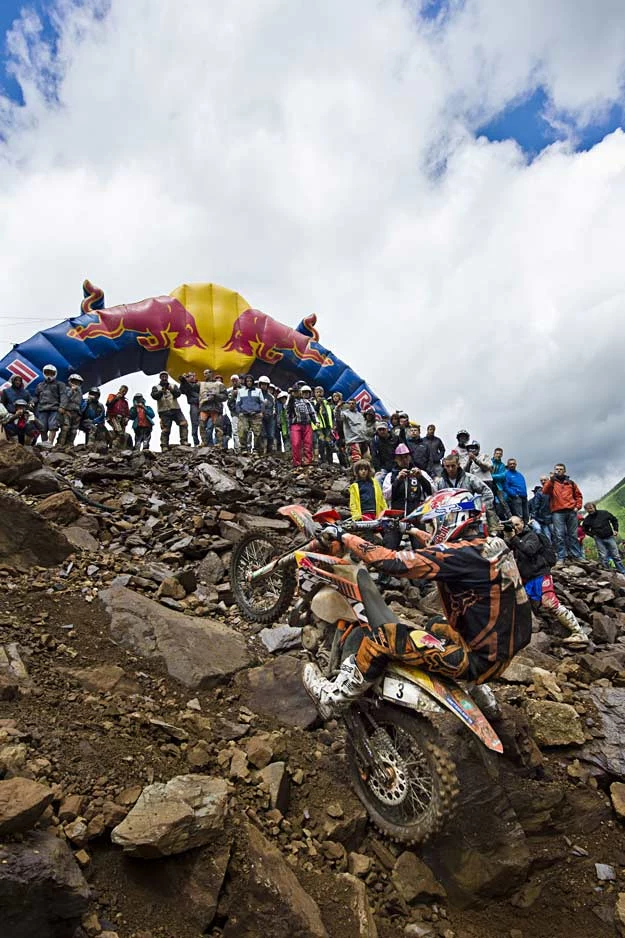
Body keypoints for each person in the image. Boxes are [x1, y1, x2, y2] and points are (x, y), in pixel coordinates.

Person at [303, 488, 532, 719]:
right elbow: (440, 548)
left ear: (449, 518)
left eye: (433, 524)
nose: (430, 530)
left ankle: (335, 699)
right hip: (502, 651)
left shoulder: (460, 556)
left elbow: (393, 563)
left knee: (380, 638)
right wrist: (408, 529)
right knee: (434, 625)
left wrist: (344, 536)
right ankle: (484, 699)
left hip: (477, 660)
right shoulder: (489, 546)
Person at [506, 516, 588, 647]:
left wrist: (513, 538)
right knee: (524, 606)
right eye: (512, 525)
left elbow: (530, 550)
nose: (515, 528)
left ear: (523, 523)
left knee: (550, 603)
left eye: (517, 524)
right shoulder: (514, 540)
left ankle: (578, 632)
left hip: (540, 574)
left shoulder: (532, 536)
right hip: (528, 579)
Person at [434, 454, 498, 533]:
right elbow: (436, 500)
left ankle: (493, 533)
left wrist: (481, 506)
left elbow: (487, 492)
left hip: (469, 513)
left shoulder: (470, 478)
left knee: (489, 510)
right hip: (450, 517)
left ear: (458, 465)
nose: (450, 469)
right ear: (444, 466)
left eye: (453, 466)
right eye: (447, 466)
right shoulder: (440, 483)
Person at [542, 464, 583, 564]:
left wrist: (578, 506)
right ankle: (561, 557)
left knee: (573, 534)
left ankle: (577, 556)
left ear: (564, 471)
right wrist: (551, 480)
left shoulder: (571, 483)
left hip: (571, 511)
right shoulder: (552, 483)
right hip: (557, 512)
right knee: (559, 535)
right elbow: (545, 491)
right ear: (554, 470)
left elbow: (578, 495)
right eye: (557, 469)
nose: (558, 471)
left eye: (561, 469)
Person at [582, 503, 625, 573]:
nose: (590, 510)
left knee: (616, 555)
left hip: (609, 536)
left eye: (591, 508)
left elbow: (614, 520)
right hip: (599, 539)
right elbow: (585, 529)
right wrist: (593, 535)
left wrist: (616, 529)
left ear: (594, 507)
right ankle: (607, 572)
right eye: (588, 509)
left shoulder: (604, 513)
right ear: (586, 510)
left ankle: (622, 571)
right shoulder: (587, 519)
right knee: (603, 556)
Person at [151, 372, 188, 449]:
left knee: (183, 423)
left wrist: (171, 390)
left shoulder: (173, 386)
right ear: (160, 377)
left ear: (167, 377)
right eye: (162, 376)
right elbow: (154, 396)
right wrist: (161, 391)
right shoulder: (156, 387)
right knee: (165, 429)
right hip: (164, 410)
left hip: (175, 409)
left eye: (165, 376)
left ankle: (184, 441)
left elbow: (178, 394)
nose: (164, 378)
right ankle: (164, 446)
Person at [32, 364, 65, 446]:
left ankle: (50, 443)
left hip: (54, 408)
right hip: (42, 409)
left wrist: (62, 406)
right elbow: (36, 396)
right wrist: (32, 402)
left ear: (55, 374)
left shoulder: (59, 384)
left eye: (51, 373)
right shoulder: (40, 385)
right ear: (44, 373)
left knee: (53, 426)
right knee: (42, 427)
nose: (49, 375)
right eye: (47, 373)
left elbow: (63, 396)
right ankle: (44, 443)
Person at [236, 374, 265, 454]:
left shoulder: (258, 391)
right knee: (242, 431)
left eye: (250, 381)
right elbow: (238, 403)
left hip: (256, 414)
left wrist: (261, 412)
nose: (249, 382)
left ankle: (256, 449)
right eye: (247, 381)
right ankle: (243, 448)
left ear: (253, 382)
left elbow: (262, 402)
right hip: (244, 414)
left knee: (257, 433)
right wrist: (239, 412)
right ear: (245, 382)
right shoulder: (241, 391)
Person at [287, 385, 316, 467]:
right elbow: (287, 408)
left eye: (297, 391)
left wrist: (315, 421)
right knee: (296, 443)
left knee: (308, 443)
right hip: (295, 424)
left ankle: (308, 460)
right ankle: (297, 462)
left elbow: (312, 412)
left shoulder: (306, 402)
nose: (296, 393)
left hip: (307, 424)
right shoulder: (291, 402)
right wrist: (290, 396)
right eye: (294, 391)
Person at [198, 371, 228, 446]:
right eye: (204, 373)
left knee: (218, 426)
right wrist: (184, 381)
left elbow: (225, 396)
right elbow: (190, 388)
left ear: (211, 374)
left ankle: (219, 443)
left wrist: (216, 396)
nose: (205, 375)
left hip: (215, 408)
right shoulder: (201, 384)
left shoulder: (219, 384)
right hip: (204, 407)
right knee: (202, 425)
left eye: (207, 373)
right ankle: (204, 442)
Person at [57, 374, 84, 447]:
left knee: (74, 430)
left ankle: (69, 445)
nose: (76, 384)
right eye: (74, 382)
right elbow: (65, 398)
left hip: (76, 413)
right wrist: (72, 390)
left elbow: (81, 403)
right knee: (65, 428)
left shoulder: (80, 393)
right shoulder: (66, 389)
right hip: (67, 411)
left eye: (78, 382)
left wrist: (80, 414)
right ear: (70, 381)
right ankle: (60, 444)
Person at [312, 387, 334, 464]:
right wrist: (318, 403)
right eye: (317, 392)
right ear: (314, 393)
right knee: (321, 443)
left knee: (329, 444)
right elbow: (314, 411)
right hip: (319, 427)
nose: (319, 394)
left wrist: (333, 425)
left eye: (320, 392)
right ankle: (323, 460)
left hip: (327, 426)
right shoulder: (312, 402)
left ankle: (330, 461)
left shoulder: (327, 402)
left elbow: (331, 414)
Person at [503, 458, 528, 523]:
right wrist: (514, 494)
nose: (512, 465)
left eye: (513, 464)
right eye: (510, 464)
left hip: (524, 496)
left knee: (526, 515)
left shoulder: (520, 474)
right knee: (519, 516)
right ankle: (520, 530)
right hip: (516, 497)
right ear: (508, 465)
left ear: (516, 464)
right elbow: (505, 487)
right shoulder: (506, 474)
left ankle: (526, 528)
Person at [179, 372, 201, 446]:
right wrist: (183, 382)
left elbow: (194, 387)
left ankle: (206, 442)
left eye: (192, 376)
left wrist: (185, 381)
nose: (191, 377)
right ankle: (196, 443)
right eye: (189, 376)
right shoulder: (186, 386)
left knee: (204, 424)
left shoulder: (200, 384)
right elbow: (181, 391)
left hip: (202, 405)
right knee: (194, 424)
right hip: (193, 405)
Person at [257, 377, 276, 454]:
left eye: (265, 384)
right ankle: (261, 451)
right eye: (262, 384)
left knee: (270, 435)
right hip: (259, 417)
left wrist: (270, 414)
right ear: (260, 385)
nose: (264, 386)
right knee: (261, 434)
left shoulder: (271, 397)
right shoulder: (256, 395)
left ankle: (269, 451)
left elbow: (273, 407)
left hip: (270, 417)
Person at [227, 375, 241, 453]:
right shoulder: (229, 391)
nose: (234, 382)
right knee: (235, 431)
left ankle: (247, 448)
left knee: (246, 431)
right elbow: (229, 403)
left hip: (244, 414)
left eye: (236, 380)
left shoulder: (244, 390)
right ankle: (237, 449)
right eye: (233, 381)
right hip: (235, 413)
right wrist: (233, 395)